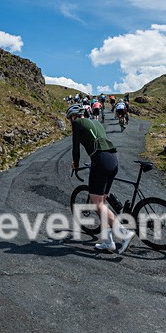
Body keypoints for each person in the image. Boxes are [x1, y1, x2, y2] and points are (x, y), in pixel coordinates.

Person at [66, 104, 135, 253]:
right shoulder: (96, 122)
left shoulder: (77, 123)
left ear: (73, 116)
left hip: (100, 160)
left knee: (97, 203)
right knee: (102, 202)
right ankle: (108, 241)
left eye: (70, 118)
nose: (71, 121)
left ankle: (124, 233)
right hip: (113, 159)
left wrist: (76, 164)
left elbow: (75, 147)